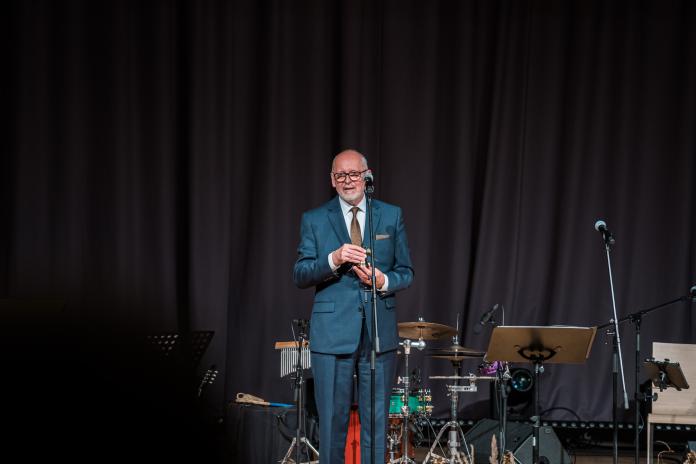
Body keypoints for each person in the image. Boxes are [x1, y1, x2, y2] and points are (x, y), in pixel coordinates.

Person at [293, 149, 414, 463]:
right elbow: (301, 274)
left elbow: (406, 271)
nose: (348, 181)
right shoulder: (315, 219)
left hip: (378, 333)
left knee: (376, 422)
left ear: (367, 176)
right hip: (332, 334)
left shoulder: (390, 215)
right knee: (333, 422)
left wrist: (383, 280)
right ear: (332, 180)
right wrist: (334, 259)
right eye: (341, 175)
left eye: (354, 174)